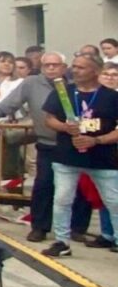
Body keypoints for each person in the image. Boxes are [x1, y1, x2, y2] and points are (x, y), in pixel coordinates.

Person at [0, 51, 66, 241]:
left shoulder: (72, 84)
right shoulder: (31, 83)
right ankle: (40, 227)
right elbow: (6, 106)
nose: (51, 68)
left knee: (74, 190)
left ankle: (76, 228)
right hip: (47, 144)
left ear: (63, 67)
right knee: (43, 185)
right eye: (47, 65)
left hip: (73, 144)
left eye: (55, 65)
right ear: (41, 67)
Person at [42, 53, 118, 259]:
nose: (75, 70)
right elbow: (49, 119)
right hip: (67, 157)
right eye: (74, 66)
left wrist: (97, 140)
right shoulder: (63, 92)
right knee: (62, 199)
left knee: (114, 201)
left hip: (103, 159)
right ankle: (62, 241)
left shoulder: (111, 97)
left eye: (81, 67)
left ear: (96, 71)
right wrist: (65, 127)